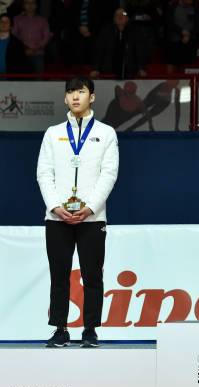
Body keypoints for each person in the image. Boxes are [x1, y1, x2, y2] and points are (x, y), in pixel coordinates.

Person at [37, 77, 119, 348]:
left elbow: (109, 174)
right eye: (70, 92)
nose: (75, 96)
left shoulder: (106, 133)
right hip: (57, 217)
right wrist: (55, 206)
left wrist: (90, 207)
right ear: (65, 98)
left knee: (92, 275)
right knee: (59, 274)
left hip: (93, 218)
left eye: (81, 92)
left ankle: (90, 329)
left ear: (91, 97)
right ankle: (60, 328)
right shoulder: (52, 132)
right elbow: (43, 173)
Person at [91, 8, 147, 79]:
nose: (120, 16)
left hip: (131, 73)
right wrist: (96, 69)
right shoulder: (106, 32)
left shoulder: (136, 32)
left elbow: (140, 51)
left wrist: (141, 68)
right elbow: (99, 51)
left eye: (123, 14)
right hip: (108, 72)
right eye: (117, 15)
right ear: (114, 19)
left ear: (127, 18)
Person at [11, 0, 52, 73]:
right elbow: (14, 36)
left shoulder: (43, 20)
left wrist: (36, 48)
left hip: (38, 53)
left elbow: (46, 36)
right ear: (23, 5)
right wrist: (24, 48)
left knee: (38, 79)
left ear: (36, 5)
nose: (30, 5)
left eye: (32, 3)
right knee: (21, 79)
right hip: (21, 54)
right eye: (27, 3)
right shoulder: (16, 19)